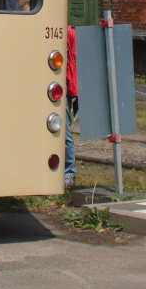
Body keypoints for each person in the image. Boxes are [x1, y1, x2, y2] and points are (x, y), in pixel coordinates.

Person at [64, 25, 78, 188]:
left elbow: (74, 61)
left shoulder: (70, 34)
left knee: (64, 131)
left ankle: (69, 172)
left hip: (64, 87)